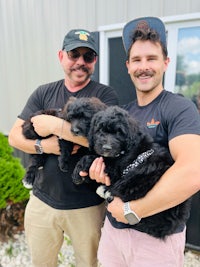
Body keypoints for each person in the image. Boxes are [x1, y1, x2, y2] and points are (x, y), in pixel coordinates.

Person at [86, 17, 200, 266]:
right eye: (137, 60)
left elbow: (193, 172)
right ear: (128, 66)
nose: (143, 66)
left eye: (151, 58)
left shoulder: (179, 109)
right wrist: (102, 173)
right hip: (114, 233)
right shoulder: (122, 115)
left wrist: (131, 211)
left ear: (166, 63)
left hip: (155, 238)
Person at [8, 28, 118, 267]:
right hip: (41, 200)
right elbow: (14, 137)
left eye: (87, 56)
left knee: (89, 263)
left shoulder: (105, 96)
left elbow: (105, 141)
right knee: (41, 262)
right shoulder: (44, 92)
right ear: (61, 56)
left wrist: (55, 126)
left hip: (87, 206)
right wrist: (42, 146)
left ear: (95, 61)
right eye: (73, 54)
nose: (80, 62)